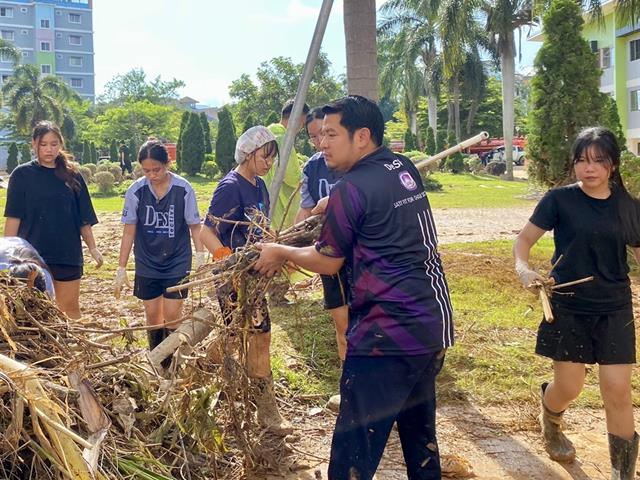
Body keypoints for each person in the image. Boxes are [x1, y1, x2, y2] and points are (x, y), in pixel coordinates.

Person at [255, 96, 454, 479]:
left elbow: (328, 261)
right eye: (320, 134)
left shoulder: (353, 188)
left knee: (352, 452)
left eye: (331, 134)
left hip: (386, 336)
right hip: (430, 325)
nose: (321, 143)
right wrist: (337, 201)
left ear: (361, 136)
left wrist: (280, 250)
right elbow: (376, 209)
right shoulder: (401, 166)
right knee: (420, 440)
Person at [513, 126, 639, 479]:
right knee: (569, 388)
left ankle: (621, 474)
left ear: (612, 164)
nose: (589, 168)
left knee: (617, 391)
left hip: (614, 308)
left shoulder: (629, 208)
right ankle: (551, 418)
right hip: (568, 305)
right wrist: (525, 270)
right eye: (582, 160)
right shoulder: (559, 200)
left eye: (598, 160)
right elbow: (523, 242)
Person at [200, 125, 292, 435]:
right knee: (241, 335)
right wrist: (226, 259)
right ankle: (224, 382)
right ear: (249, 154)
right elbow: (206, 231)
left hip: (255, 276)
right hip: (232, 276)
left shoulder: (260, 186)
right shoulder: (230, 186)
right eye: (265, 156)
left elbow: (260, 228)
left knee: (257, 334)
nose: (269, 163)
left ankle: (261, 404)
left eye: (271, 158)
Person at [114, 139, 205, 356]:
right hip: (147, 260)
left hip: (177, 259)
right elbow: (129, 231)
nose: (152, 175)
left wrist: (200, 255)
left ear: (167, 164)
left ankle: (173, 359)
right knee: (152, 314)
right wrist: (121, 267)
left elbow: (194, 225)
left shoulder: (183, 189)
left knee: (173, 313)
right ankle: (157, 359)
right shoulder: (136, 191)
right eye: (146, 171)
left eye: (157, 169)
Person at [4, 120, 102, 319]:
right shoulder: (21, 175)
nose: (49, 149)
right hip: (31, 257)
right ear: (34, 144)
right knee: (33, 312)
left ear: (61, 144)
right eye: (44, 144)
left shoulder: (73, 175)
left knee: (69, 308)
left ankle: (74, 349)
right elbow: (13, 218)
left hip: (67, 253)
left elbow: (83, 219)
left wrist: (92, 247)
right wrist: (6, 256)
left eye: (54, 144)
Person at [295, 107, 348, 366]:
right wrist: (289, 241)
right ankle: (350, 384)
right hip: (329, 253)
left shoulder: (354, 162)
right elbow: (306, 208)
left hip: (361, 255)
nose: (320, 143)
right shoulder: (312, 168)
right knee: (342, 325)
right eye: (314, 137)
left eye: (325, 134)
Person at [263, 99, 310, 230]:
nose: (301, 128)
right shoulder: (283, 138)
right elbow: (291, 177)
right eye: (303, 122)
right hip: (281, 209)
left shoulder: (268, 133)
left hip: (267, 200)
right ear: (299, 118)